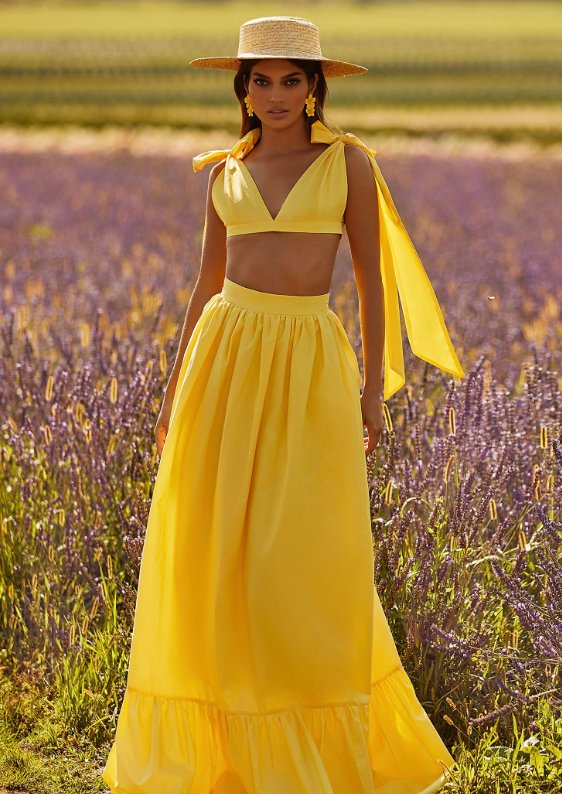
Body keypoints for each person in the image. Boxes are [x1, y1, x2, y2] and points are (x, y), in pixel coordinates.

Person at [102, 15, 465, 794]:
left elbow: (370, 283)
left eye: (290, 80)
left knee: (302, 558)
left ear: (313, 88)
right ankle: (223, 750)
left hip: (307, 367)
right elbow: (204, 288)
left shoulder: (349, 166)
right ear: (242, 89)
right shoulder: (224, 171)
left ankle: (312, 753)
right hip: (222, 364)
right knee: (214, 556)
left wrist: (373, 393)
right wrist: (171, 398)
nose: (274, 95)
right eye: (259, 80)